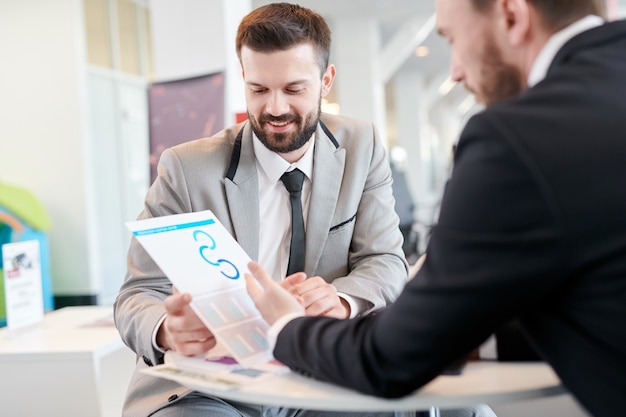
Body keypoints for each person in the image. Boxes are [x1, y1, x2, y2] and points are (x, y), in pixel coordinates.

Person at [244, 1, 626, 416]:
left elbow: (389, 362)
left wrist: (286, 326)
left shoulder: (517, 136)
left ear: (513, 16)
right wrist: (464, 327)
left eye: (454, 40)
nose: (456, 71)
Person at [114, 3, 411, 417]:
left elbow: (385, 260)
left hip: (324, 368)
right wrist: (167, 331)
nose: (274, 109)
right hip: (213, 385)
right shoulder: (186, 167)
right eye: (258, 90)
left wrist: (342, 301)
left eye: (293, 89)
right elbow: (136, 294)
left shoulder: (363, 147)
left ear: (326, 81)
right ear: (243, 80)